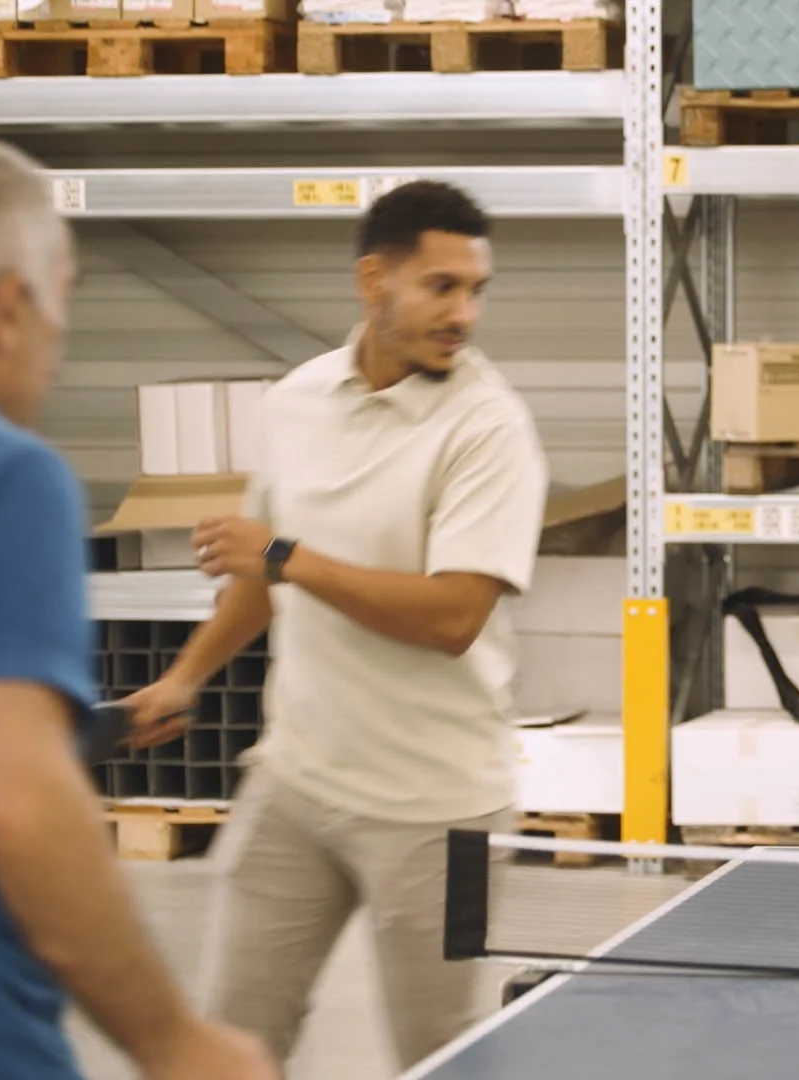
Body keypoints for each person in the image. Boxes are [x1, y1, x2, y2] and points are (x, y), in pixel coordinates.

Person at [122, 180, 550, 1071]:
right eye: (441, 286)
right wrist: (186, 675)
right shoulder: (297, 400)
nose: (464, 313)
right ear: (373, 280)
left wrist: (285, 555)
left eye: (476, 290)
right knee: (232, 1041)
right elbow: (258, 580)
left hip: (438, 813)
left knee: (439, 1058)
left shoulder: (489, 428)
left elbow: (453, 616)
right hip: (297, 786)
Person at [0, 132, 279, 1077]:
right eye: (65, 301)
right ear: (9, 309)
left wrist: (105, 726)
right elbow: (12, 799)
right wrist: (174, 1040)